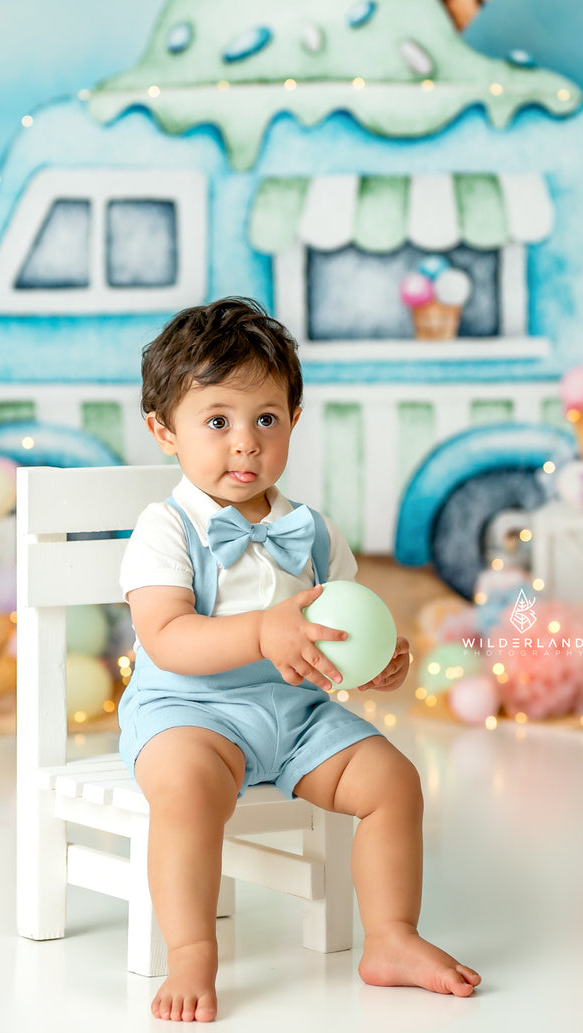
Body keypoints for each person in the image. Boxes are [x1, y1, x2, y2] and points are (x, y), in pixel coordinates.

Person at [119, 297, 481, 1022]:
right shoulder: (166, 527)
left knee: (393, 781)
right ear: (164, 431)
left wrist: (375, 661)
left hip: (298, 716)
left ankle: (391, 936)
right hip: (190, 713)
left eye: (266, 419)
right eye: (217, 421)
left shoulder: (312, 531)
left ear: (293, 419)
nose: (245, 444)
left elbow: (344, 623)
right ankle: (192, 950)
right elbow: (166, 636)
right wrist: (261, 631)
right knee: (186, 790)